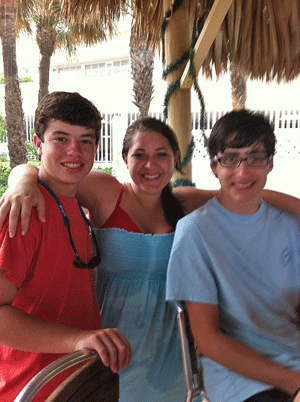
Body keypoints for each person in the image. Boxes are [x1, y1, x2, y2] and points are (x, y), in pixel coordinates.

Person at [1, 117, 300, 402]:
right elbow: (46, 174)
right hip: (109, 342)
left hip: (168, 348)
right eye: (139, 155)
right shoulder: (105, 193)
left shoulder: (184, 202)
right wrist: (21, 182)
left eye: (161, 154)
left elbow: (247, 192)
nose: (150, 165)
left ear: (176, 159)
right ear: (125, 159)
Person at [0, 91, 131, 402]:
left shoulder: (72, 203)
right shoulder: (25, 211)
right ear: (38, 143)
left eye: (85, 140)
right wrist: (77, 339)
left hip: (76, 385)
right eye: (61, 138)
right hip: (31, 389)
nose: (75, 151)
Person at [166, 109, 300, 402]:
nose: (242, 172)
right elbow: (207, 339)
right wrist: (294, 383)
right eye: (230, 159)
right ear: (214, 166)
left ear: (270, 164)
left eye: (254, 158)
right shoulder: (194, 232)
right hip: (239, 378)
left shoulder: (290, 224)